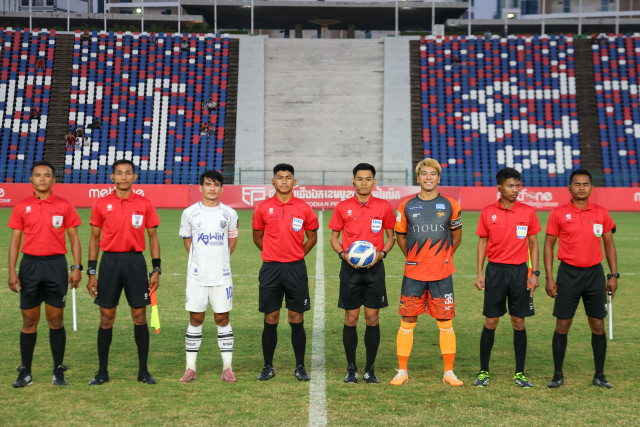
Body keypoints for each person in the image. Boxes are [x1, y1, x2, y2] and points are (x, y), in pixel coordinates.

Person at [86, 159, 161, 385]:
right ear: (112, 177)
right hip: (109, 263)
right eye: (119, 173)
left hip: (135, 262)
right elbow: (94, 239)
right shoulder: (101, 204)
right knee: (106, 317)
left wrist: (156, 269)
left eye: (128, 173)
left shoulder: (144, 203)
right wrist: (91, 272)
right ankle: (102, 372)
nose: (124, 177)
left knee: (139, 316)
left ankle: (143, 371)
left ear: (134, 177)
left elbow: (153, 237)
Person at [8, 161, 82, 387]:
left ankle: (58, 370)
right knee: (29, 320)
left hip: (55, 266)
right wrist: (12, 271)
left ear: (53, 179)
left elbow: (74, 238)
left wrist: (77, 267)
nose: (42, 179)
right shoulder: (22, 206)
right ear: (31, 179)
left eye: (47, 175)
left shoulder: (64, 205)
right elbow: (15, 241)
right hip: (30, 266)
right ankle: (26, 372)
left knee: (56, 320)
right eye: (38, 175)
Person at [390, 158, 463, 387]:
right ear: (418, 178)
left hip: (442, 272)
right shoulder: (406, 205)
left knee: (445, 321)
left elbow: (456, 236)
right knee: (407, 320)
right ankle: (402, 371)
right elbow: (401, 236)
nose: (428, 177)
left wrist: (444, 256)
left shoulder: (451, 204)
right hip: (414, 273)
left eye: (432, 173)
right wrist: (414, 257)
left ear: (438, 178)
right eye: (424, 173)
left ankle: (449, 372)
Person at [544, 168, 618, 389]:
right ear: (569, 187)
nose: (581, 188)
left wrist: (613, 275)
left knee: (597, 324)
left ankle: (599, 375)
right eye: (577, 184)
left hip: (594, 274)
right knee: (563, 324)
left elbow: (609, 244)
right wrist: (549, 277)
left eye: (585, 184)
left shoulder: (601, 212)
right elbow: (548, 246)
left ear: (591, 187)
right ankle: (558, 374)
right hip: (568, 274)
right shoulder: (558, 213)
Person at [473, 167, 541, 388]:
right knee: (491, 320)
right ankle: (483, 371)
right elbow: (482, 242)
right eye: (510, 186)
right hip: (495, 271)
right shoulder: (487, 212)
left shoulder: (528, 212)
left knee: (518, 321)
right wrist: (479, 272)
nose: (515, 190)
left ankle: (520, 373)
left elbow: (533, 244)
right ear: (499, 188)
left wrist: (535, 273)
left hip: (520, 272)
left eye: (517, 186)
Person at [328, 163, 395, 384]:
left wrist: (382, 254)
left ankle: (370, 369)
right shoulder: (343, 207)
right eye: (360, 179)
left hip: (375, 269)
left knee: (372, 318)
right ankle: (351, 368)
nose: (364, 183)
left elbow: (391, 237)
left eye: (368, 179)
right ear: (353, 181)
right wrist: (343, 255)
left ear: (374, 181)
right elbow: (334, 238)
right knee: (351, 317)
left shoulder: (384, 207)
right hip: (350, 269)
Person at [252, 163, 319, 381]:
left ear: (294, 181)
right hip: (271, 268)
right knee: (271, 317)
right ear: (273, 181)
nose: (284, 181)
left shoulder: (304, 208)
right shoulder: (263, 208)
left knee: (296, 317)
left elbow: (312, 237)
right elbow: (257, 236)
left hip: (295, 268)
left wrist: (297, 254)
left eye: (288, 177)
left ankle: (300, 366)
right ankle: (267, 366)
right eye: (280, 177)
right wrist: (271, 253)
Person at [178, 170, 239, 384]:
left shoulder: (229, 214)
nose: (212, 188)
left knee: (222, 319)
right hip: (197, 277)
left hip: (222, 277)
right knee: (196, 319)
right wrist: (201, 262)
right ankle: (190, 368)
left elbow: (232, 243)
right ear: (200, 187)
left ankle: (227, 368)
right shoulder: (189, 213)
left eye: (216, 184)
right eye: (208, 184)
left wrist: (217, 261)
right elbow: (188, 242)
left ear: (221, 188)